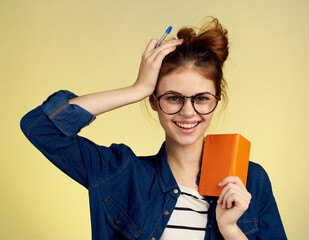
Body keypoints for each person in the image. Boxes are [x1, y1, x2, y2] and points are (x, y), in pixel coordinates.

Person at [20, 18, 287, 240]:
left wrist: (230, 229)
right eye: (173, 97)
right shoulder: (120, 173)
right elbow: (40, 127)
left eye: (201, 98)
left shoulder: (251, 181)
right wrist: (137, 88)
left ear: (217, 100)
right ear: (154, 101)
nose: (188, 111)